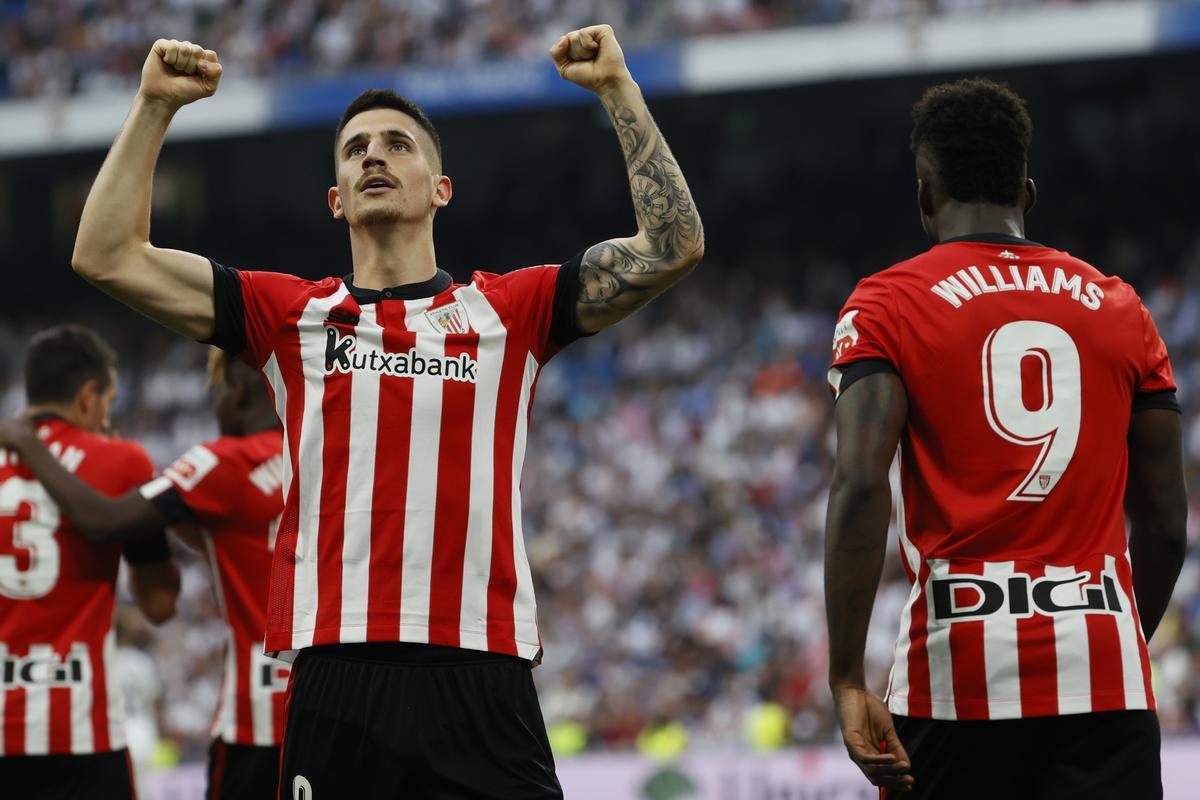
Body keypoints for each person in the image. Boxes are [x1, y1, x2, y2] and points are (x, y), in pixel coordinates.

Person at [70, 24, 703, 798]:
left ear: (442, 189)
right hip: (340, 674)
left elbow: (673, 246)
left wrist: (619, 90)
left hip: (480, 670)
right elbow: (106, 256)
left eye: (399, 144)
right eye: (357, 147)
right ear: (335, 201)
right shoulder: (290, 316)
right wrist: (152, 107)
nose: (375, 153)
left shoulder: (511, 309)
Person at [823, 78, 1187, 799]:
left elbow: (861, 484)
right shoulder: (1122, 309)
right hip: (1104, 672)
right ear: (1028, 191)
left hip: (957, 674)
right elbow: (1168, 519)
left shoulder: (888, 303)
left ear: (926, 194)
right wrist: (1109, 639)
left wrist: (844, 676)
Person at [0, 349, 286, 800]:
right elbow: (212, 538)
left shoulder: (224, 464)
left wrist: (32, 443)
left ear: (239, 393)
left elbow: (111, 520)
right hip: (340, 705)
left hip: (256, 721)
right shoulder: (338, 458)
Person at [0, 324, 180, 799]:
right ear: (88, 396)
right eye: (109, 400)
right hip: (80, 729)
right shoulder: (120, 460)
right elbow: (159, 603)